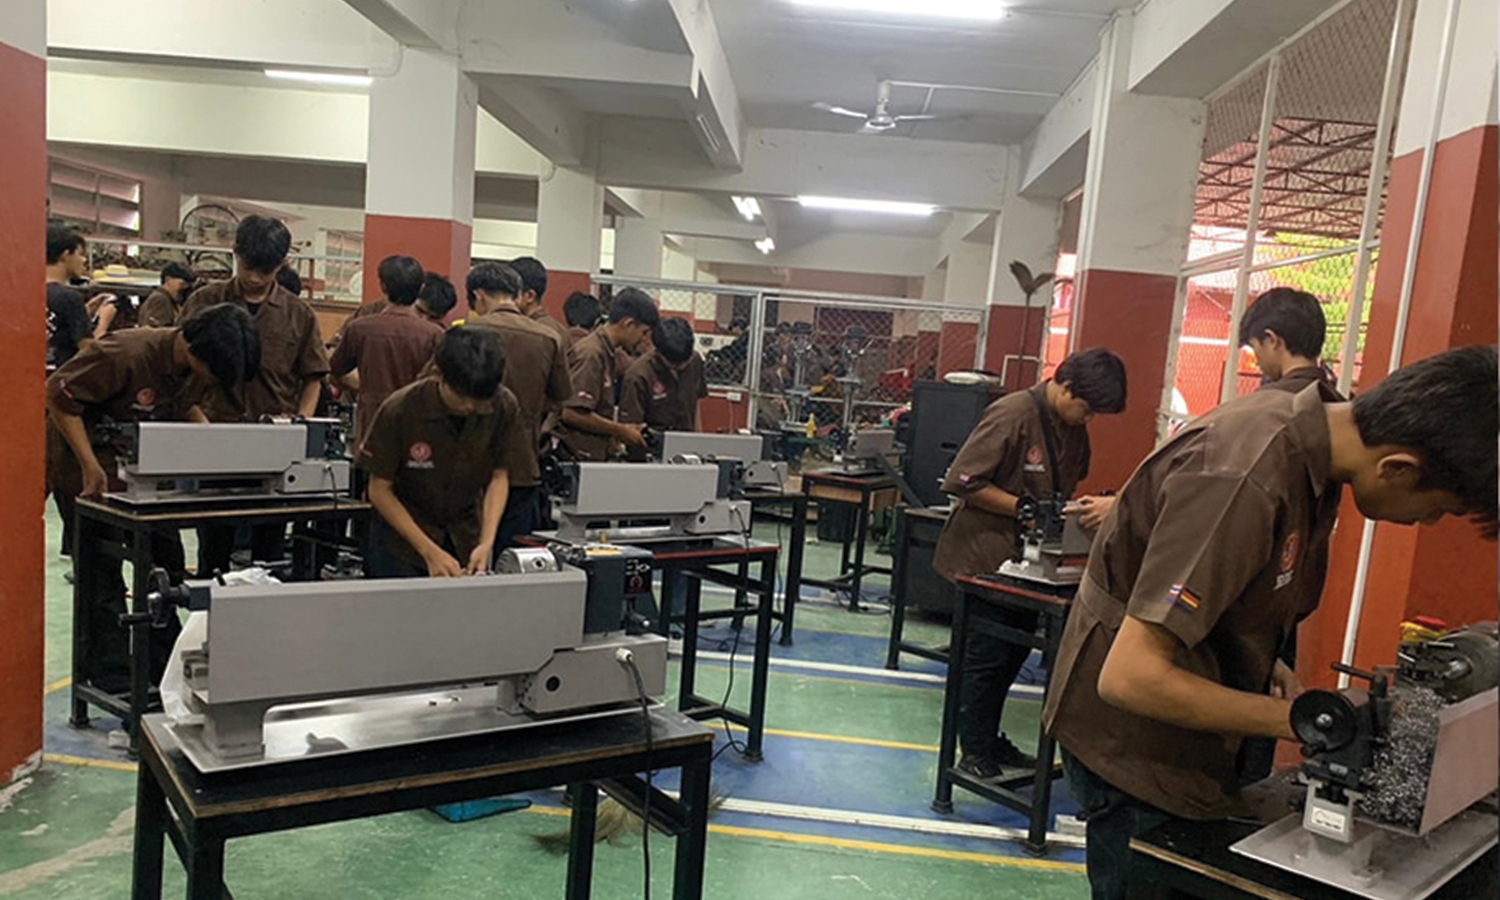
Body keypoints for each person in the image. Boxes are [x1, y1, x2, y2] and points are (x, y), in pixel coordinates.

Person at [1043, 345, 1498, 900]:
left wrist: (1260, 654)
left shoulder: (1320, 440)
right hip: (1132, 744)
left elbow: (1227, 578)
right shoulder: (1244, 476)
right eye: (1439, 510)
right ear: (1397, 468)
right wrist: (1313, 722)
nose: (1427, 522)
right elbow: (1131, 678)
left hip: (1190, 717)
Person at [931, 348, 1128, 779]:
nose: (1088, 418)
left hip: (1027, 563)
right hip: (985, 557)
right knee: (985, 658)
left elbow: (1065, 481)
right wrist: (1023, 508)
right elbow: (963, 481)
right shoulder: (1013, 414)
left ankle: (988, 739)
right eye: (1087, 408)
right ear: (1066, 386)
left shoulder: (1070, 426)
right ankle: (973, 750)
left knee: (1011, 655)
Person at [46, 305, 261, 690]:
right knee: (102, 576)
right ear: (194, 349)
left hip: (145, 477)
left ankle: (162, 664)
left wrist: (213, 442)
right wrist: (89, 465)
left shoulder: (192, 368)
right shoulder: (123, 354)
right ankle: (111, 677)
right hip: (90, 469)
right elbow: (59, 397)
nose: (213, 381)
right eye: (214, 373)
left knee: (167, 566)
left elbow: (185, 403)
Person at [178, 215, 329, 574]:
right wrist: (200, 424)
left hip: (274, 446)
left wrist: (300, 425)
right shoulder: (204, 302)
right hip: (214, 437)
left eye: (266, 270)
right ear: (235, 253)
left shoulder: (299, 314)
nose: (255, 278)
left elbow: (313, 377)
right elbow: (180, 369)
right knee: (213, 546)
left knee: (269, 551)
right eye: (248, 267)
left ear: (283, 264)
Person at [358, 327, 529, 578]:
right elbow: (379, 489)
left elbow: (498, 476)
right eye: (461, 397)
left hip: (464, 535)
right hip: (402, 542)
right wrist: (428, 551)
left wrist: (486, 542)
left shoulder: (503, 405)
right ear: (440, 375)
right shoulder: (400, 409)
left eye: (480, 400)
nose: (471, 406)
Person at [453, 262, 572, 549]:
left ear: (478, 295)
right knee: (513, 551)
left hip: (469, 459)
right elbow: (560, 397)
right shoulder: (549, 338)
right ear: (517, 294)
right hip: (522, 460)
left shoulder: (465, 333)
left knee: (467, 549)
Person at [329, 256, 443, 442]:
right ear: (421, 288)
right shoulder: (434, 335)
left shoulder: (360, 328)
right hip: (416, 427)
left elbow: (334, 371)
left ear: (383, 286)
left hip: (371, 424)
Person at [555, 287, 660, 461]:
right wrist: (620, 430)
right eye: (643, 333)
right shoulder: (591, 354)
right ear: (628, 324)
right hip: (575, 457)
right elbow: (570, 412)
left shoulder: (609, 354)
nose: (644, 340)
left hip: (591, 455)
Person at [620, 317, 709, 446]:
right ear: (659, 353)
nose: (682, 366)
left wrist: (699, 442)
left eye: (686, 361)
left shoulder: (695, 361)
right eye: (674, 364)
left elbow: (695, 406)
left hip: (687, 443)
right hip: (652, 447)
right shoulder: (638, 375)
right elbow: (631, 427)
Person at [1239, 287, 1341, 400]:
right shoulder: (1344, 403)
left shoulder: (1257, 405)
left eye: (1254, 347)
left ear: (1272, 340)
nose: (1257, 361)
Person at [46, 222, 93, 371]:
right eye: (80, 254)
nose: (84, 260)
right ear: (65, 255)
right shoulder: (70, 298)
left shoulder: (25, 291)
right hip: (61, 377)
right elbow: (88, 353)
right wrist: (105, 319)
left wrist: (88, 310)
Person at [508, 256, 571, 349]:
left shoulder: (531, 333)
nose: (505, 300)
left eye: (510, 294)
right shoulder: (560, 330)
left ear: (529, 296)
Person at [139, 262, 198, 328]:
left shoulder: (170, 300)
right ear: (168, 279)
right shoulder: (160, 300)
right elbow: (158, 329)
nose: (185, 289)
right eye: (182, 284)